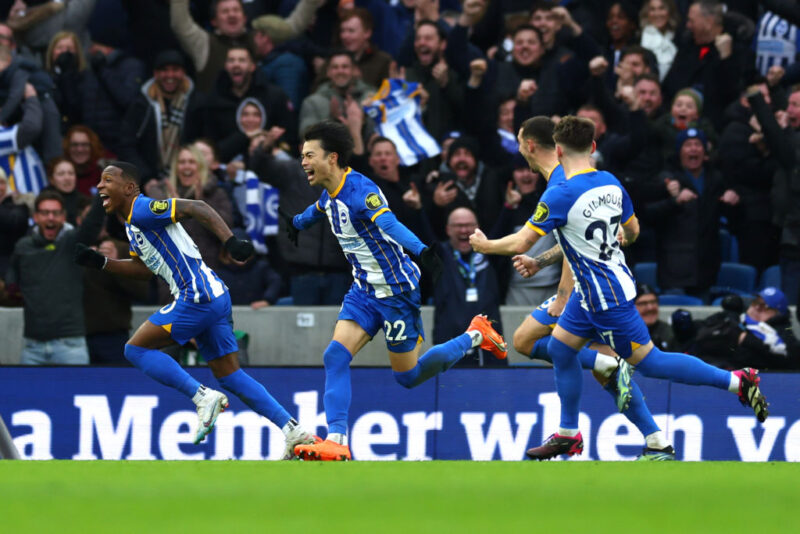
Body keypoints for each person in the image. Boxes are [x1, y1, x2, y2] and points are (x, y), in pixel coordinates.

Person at [470, 115, 769, 460]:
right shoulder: (611, 182)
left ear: (560, 150)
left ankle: (737, 381)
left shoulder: (560, 193)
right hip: (594, 289)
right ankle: (569, 433)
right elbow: (633, 230)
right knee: (562, 350)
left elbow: (521, 242)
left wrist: (485, 245)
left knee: (652, 363)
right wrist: (612, 240)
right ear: (593, 147)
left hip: (604, 298)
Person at [282, 121, 507, 461]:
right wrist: (297, 223)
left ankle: (476, 334)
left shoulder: (361, 191)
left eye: (309, 155)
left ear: (332, 157)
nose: (303, 162)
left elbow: (388, 223)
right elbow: (319, 210)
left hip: (396, 291)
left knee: (409, 376)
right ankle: (337, 440)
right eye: (302, 156)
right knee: (335, 356)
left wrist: (421, 250)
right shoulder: (330, 193)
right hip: (363, 291)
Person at [74, 160, 317, 458]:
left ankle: (202, 397)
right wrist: (102, 262)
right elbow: (144, 268)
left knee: (135, 350)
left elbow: (197, 206)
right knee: (230, 376)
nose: (99, 186)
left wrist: (230, 241)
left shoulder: (142, 208)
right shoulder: (132, 222)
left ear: (128, 187)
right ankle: (293, 430)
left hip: (195, 295)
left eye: (107, 180)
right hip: (213, 294)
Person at [506, 116, 676, 460]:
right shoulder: (565, 176)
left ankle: (653, 438)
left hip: (589, 289)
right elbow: (574, 240)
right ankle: (651, 434)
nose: (518, 148)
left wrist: (564, 295)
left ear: (531, 145)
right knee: (527, 341)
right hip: (593, 283)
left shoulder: (562, 180)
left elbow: (576, 249)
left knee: (582, 357)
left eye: (519, 141)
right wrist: (541, 262)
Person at [6, 189, 104, 364]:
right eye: (45, 213)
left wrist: (103, 193)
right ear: (35, 217)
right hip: (32, 347)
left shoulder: (72, 243)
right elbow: (12, 271)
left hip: (70, 346)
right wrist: (11, 285)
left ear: (64, 217)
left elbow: (91, 225)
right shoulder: (23, 247)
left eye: (56, 213)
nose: (50, 218)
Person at [634, 283, 676, 351]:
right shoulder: (624, 333)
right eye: (643, 303)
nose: (650, 308)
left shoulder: (669, 332)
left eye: (653, 302)